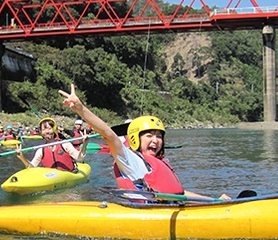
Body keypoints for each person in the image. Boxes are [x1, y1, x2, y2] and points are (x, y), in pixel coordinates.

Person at [59, 83, 230, 200]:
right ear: (135, 138)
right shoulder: (128, 158)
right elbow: (108, 134)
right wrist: (81, 109)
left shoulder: (161, 162)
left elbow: (179, 193)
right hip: (147, 219)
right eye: (149, 136)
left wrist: (213, 200)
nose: (155, 140)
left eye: (159, 136)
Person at [16, 117, 88, 171]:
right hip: (51, 177)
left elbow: (80, 157)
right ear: (41, 132)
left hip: (69, 174)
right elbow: (31, 167)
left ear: (54, 130)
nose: (47, 131)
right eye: (44, 129)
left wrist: (85, 144)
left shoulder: (64, 144)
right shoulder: (41, 150)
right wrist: (22, 157)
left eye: (49, 128)